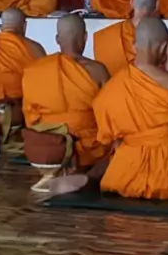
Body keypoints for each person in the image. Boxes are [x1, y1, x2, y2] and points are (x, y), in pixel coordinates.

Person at [86, 17, 168, 200]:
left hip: (124, 176)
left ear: (134, 45)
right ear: (163, 48)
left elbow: (113, 140)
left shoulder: (112, 87)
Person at [21, 14, 109, 171]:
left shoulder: (35, 70)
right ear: (85, 37)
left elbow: (29, 115)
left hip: (48, 146)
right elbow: (110, 114)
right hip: (89, 149)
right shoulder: (97, 70)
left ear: (57, 39)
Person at [92, 0, 158, 75]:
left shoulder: (106, 36)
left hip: (116, 88)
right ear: (157, 6)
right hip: (148, 88)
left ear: (131, 2)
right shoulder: (160, 38)